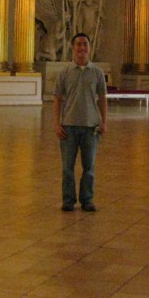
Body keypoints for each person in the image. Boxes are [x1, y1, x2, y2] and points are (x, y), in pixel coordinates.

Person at [54, 32, 108, 212]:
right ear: (73, 47)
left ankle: (87, 199)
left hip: (90, 126)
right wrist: (57, 123)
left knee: (89, 167)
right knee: (67, 167)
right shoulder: (64, 72)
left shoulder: (98, 73)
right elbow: (57, 98)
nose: (82, 48)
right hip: (68, 126)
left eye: (85, 44)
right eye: (78, 44)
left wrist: (104, 122)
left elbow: (102, 98)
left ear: (89, 47)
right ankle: (68, 200)